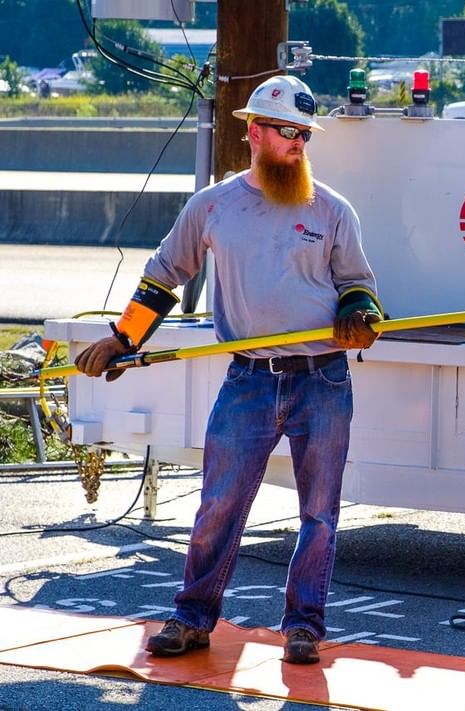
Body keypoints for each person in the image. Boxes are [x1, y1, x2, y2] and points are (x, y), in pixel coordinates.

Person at [74, 74, 383, 665]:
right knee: (219, 501)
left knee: (319, 511)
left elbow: (359, 285)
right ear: (254, 131)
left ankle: (304, 628)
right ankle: (192, 618)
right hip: (248, 379)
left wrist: (359, 312)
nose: (298, 143)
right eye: (287, 131)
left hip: (323, 378)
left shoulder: (333, 210)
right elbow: (164, 277)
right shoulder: (213, 206)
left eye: (304, 134)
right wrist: (123, 339)